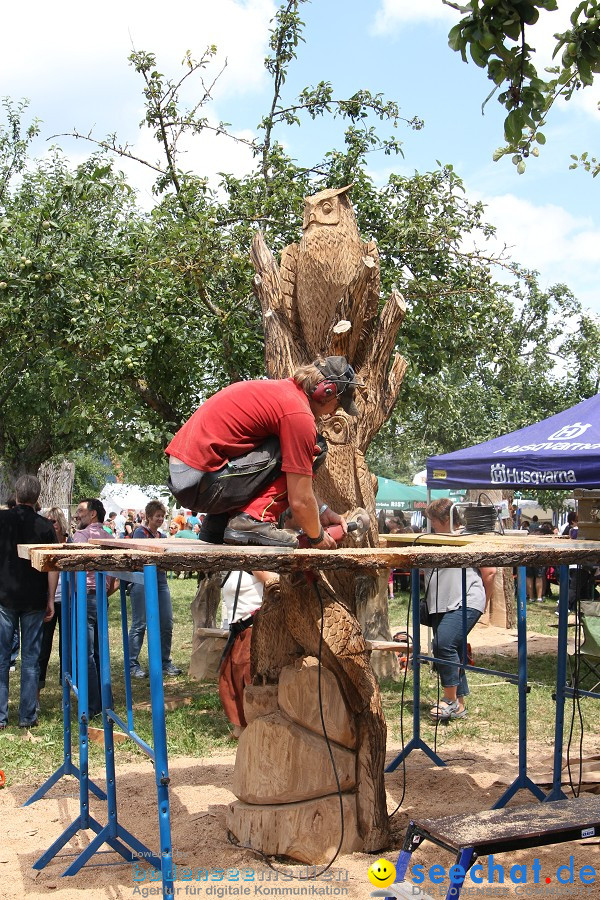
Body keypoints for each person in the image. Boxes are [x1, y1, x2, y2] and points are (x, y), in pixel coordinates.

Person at [166, 356, 360, 548]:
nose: (334, 413)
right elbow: (299, 499)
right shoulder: (298, 414)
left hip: (195, 480)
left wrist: (322, 510)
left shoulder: (282, 394)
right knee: (316, 447)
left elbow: (288, 481)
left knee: (291, 448)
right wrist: (317, 536)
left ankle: (219, 524)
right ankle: (252, 521)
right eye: (338, 404)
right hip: (203, 483)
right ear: (325, 391)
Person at [422, 498, 496, 722]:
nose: (432, 524)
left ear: (446, 518)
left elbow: (490, 572)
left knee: (443, 644)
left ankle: (449, 700)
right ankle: (460, 705)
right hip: (441, 604)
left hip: (466, 601)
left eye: (434, 520)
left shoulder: (469, 539)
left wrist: (483, 603)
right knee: (455, 648)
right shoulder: (435, 539)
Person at [0, 475, 58, 728]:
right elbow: (53, 566)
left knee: (1, 658)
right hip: (34, 597)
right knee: (31, 659)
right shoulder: (45, 526)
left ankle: (0, 717)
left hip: (5, 596)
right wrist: (51, 599)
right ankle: (27, 716)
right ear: (37, 498)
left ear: (16, 493)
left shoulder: (1, 520)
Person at [127, 501, 181, 679]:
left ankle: (164, 662)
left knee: (166, 623)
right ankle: (132, 664)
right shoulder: (140, 533)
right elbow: (141, 556)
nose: (160, 519)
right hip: (142, 581)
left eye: (162, 516)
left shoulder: (163, 535)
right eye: (157, 516)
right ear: (148, 517)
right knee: (139, 624)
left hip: (160, 581)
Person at [72, 498, 116, 718]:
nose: (77, 514)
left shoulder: (81, 536)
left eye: (81, 510)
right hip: (101, 598)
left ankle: (92, 705)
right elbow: (116, 579)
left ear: (93, 515)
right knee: (100, 652)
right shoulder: (109, 537)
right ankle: (107, 702)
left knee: (86, 653)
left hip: (85, 597)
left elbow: (71, 571)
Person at [218, 570, 271, 737]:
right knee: (229, 679)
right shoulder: (234, 565)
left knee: (248, 679)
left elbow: (275, 583)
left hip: (253, 631)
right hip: (238, 632)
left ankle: (256, 730)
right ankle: (242, 729)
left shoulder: (257, 562)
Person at [38, 508, 70, 704]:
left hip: (67, 601)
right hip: (47, 601)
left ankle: (66, 693)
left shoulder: (70, 544)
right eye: (48, 521)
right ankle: (37, 694)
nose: (52, 525)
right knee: (43, 648)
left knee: (66, 648)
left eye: (55, 521)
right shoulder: (41, 546)